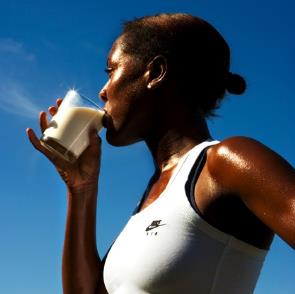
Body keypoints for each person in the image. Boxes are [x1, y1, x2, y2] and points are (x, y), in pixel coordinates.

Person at [26, 13, 295, 294]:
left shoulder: (226, 162)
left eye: (111, 71)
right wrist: (81, 188)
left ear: (155, 73)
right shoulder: (152, 196)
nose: (103, 91)